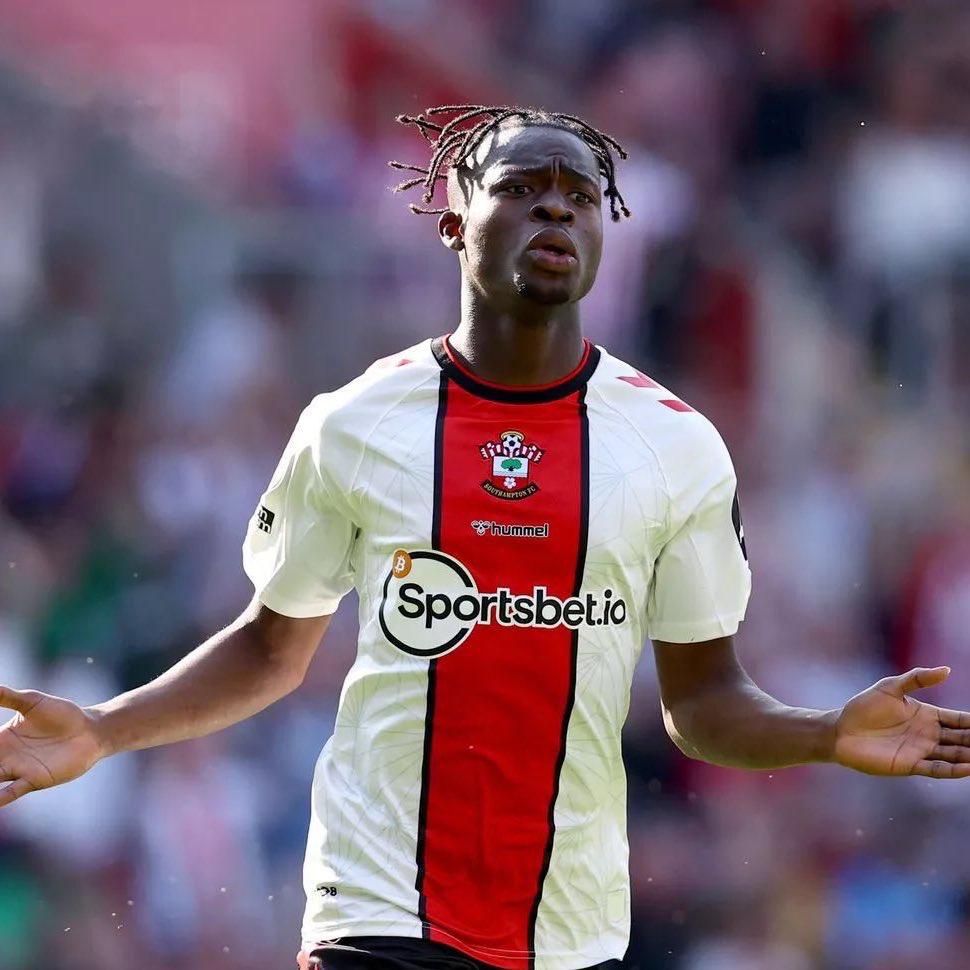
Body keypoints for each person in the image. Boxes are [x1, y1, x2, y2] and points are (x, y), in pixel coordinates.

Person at [1, 104, 968, 970]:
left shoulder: (676, 446)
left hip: (570, 930)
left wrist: (825, 732)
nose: (556, 210)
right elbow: (269, 647)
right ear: (455, 224)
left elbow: (702, 700)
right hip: (378, 912)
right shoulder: (355, 423)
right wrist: (104, 728)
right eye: (520, 188)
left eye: (580, 197)